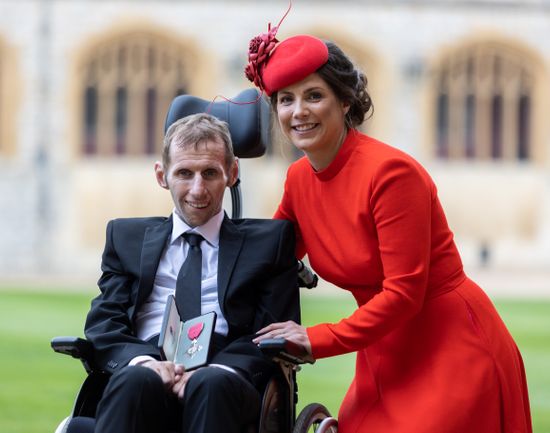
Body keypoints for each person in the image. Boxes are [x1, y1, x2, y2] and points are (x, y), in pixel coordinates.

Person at [246, 34, 532, 433]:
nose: (298, 112)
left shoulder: (391, 174)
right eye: (286, 99)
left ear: (344, 102)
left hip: (450, 348)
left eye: (314, 96)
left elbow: (403, 294)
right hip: (383, 354)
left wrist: (315, 338)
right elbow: (268, 255)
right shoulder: (297, 179)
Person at [84, 113, 299, 433]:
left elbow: (272, 332)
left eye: (210, 173)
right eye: (184, 173)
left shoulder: (270, 243)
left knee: (210, 384)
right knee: (135, 380)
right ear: (162, 175)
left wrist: (217, 368)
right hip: (146, 364)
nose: (197, 190)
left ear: (232, 172)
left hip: (227, 375)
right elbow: (104, 323)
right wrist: (144, 362)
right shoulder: (126, 238)